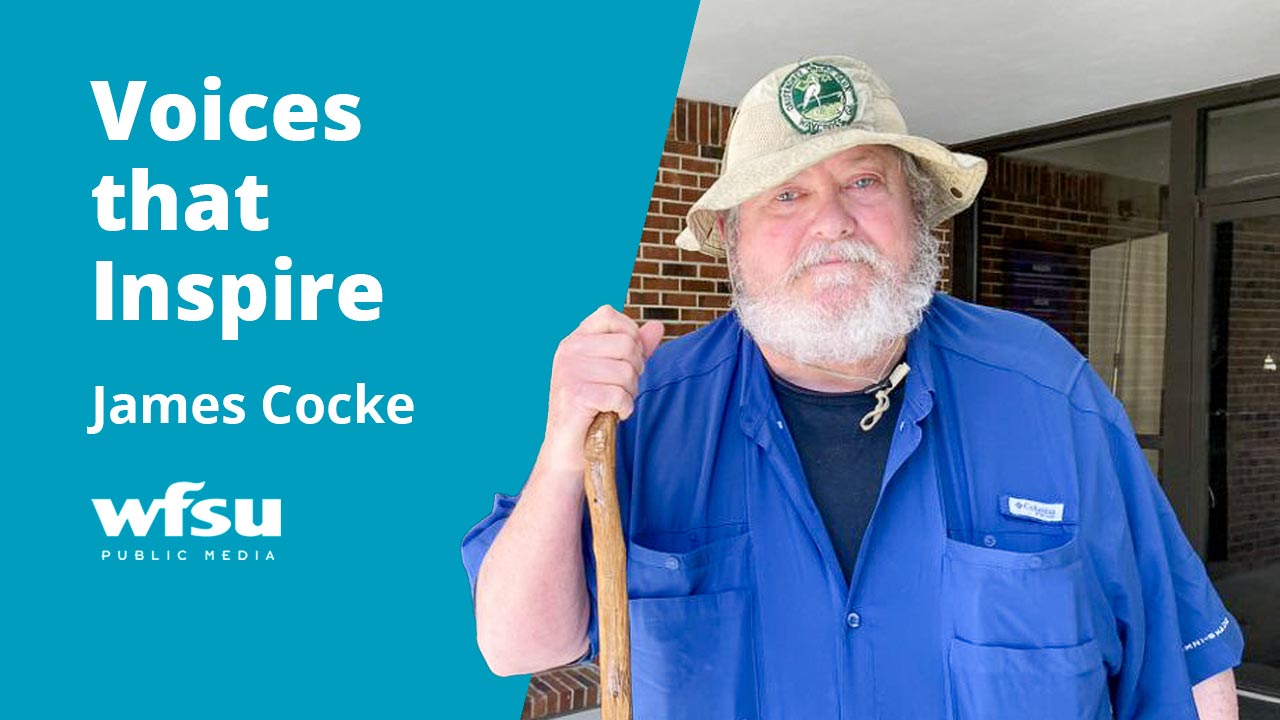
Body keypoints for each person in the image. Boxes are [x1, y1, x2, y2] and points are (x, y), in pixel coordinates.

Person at [461, 56, 1244, 719]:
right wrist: (566, 442)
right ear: (733, 240)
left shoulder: (1045, 389)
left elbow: (1189, 664)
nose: (831, 220)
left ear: (920, 216)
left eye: (864, 182)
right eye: (787, 195)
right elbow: (518, 647)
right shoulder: (643, 409)